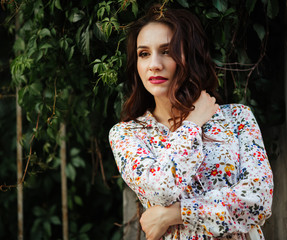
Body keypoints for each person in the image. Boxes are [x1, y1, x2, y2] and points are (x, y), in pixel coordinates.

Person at [109, 5, 273, 240]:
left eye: (166, 51)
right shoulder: (127, 134)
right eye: (144, 54)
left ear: (191, 55)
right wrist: (192, 125)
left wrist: (176, 214)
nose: (154, 64)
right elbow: (160, 191)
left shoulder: (238, 118)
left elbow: (259, 201)